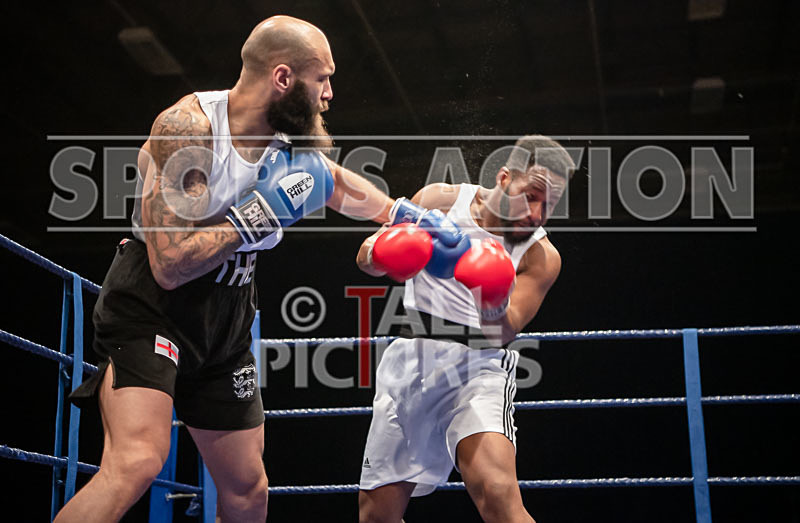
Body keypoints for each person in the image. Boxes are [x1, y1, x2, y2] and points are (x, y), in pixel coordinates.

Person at [55, 15, 463, 523]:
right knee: (136, 462)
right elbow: (169, 265)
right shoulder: (190, 128)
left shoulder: (289, 140)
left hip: (228, 313)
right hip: (153, 309)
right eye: (323, 79)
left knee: (249, 491)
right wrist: (259, 214)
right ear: (284, 78)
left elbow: (329, 182)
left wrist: (403, 215)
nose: (330, 94)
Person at [356, 135, 576, 523]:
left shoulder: (542, 257)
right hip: (411, 361)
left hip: (478, 368)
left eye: (550, 204)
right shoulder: (440, 199)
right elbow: (365, 258)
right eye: (532, 195)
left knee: (497, 493)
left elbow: (503, 332)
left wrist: (490, 297)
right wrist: (385, 250)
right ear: (505, 178)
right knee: (377, 515)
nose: (538, 213)